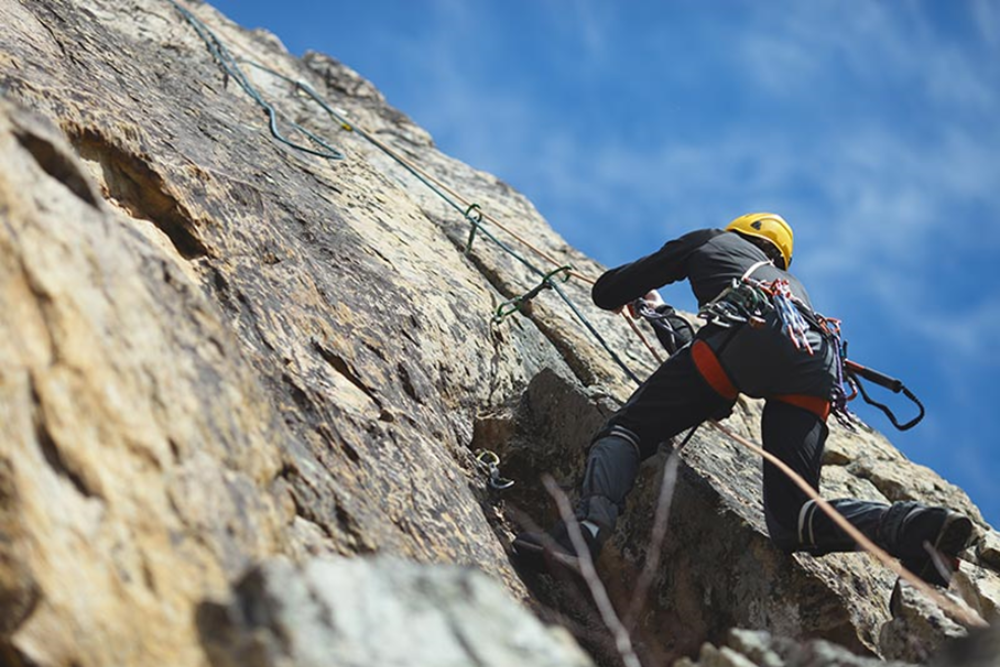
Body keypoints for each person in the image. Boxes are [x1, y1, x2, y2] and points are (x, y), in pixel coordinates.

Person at [513, 213, 974, 587]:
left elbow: (607, 291)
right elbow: (712, 381)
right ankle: (909, 527)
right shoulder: (794, 288)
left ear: (741, 230)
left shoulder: (712, 240)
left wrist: (644, 297)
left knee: (628, 431)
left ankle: (583, 533)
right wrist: (665, 320)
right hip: (817, 364)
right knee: (794, 519)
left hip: (746, 333)